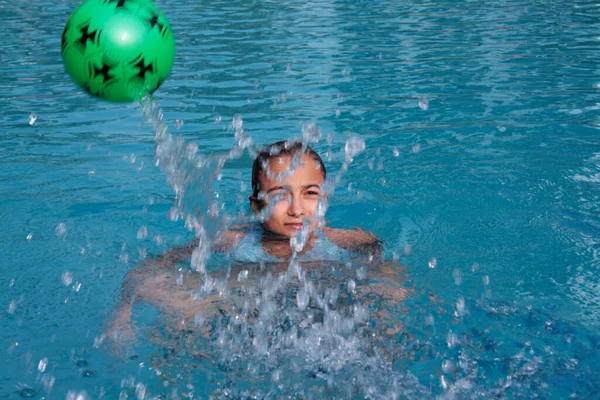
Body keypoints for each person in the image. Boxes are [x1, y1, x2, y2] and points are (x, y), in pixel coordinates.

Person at [107, 140, 405, 357]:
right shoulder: (235, 238)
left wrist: (373, 282)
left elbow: (377, 251)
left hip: (325, 298)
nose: (297, 210)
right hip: (251, 306)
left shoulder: (341, 238)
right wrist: (123, 312)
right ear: (256, 205)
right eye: (280, 196)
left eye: (311, 194)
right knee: (154, 285)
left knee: (389, 277)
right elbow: (159, 263)